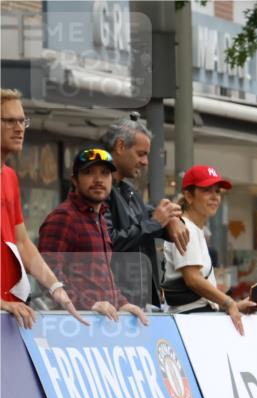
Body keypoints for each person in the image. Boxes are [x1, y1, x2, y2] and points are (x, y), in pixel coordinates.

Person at [1, 88, 85, 328]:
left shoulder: (9, 177)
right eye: (9, 121)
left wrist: (55, 286)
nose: (19, 128)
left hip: (12, 314)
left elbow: (22, 242)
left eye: (22, 120)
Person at [37, 148, 148, 324]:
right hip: (70, 326)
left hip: (99, 326)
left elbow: (101, 276)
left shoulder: (100, 218)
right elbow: (46, 273)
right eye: (89, 172)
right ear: (75, 180)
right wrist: (89, 304)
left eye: (105, 173)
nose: (98, 180)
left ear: (112, 180)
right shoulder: (63, 217)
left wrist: (121, 303)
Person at [162, 165, 257, 334]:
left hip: (196, 319)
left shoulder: (193, 228)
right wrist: (228, 302)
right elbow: (192, 279)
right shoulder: (186, 228)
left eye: (218, 191)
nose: (215, 197)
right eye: (207, 190)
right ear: (189, 196)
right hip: (191, 321)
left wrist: (234, 305)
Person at [102, 114, 187, 308]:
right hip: (117, 304)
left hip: (141, 302)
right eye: (141, 154)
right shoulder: (102, 192)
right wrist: (156, 223)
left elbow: (153, 217)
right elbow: (108, 242)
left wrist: (171, 220)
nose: (146, 161)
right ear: (120, 146)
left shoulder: (129, 190)